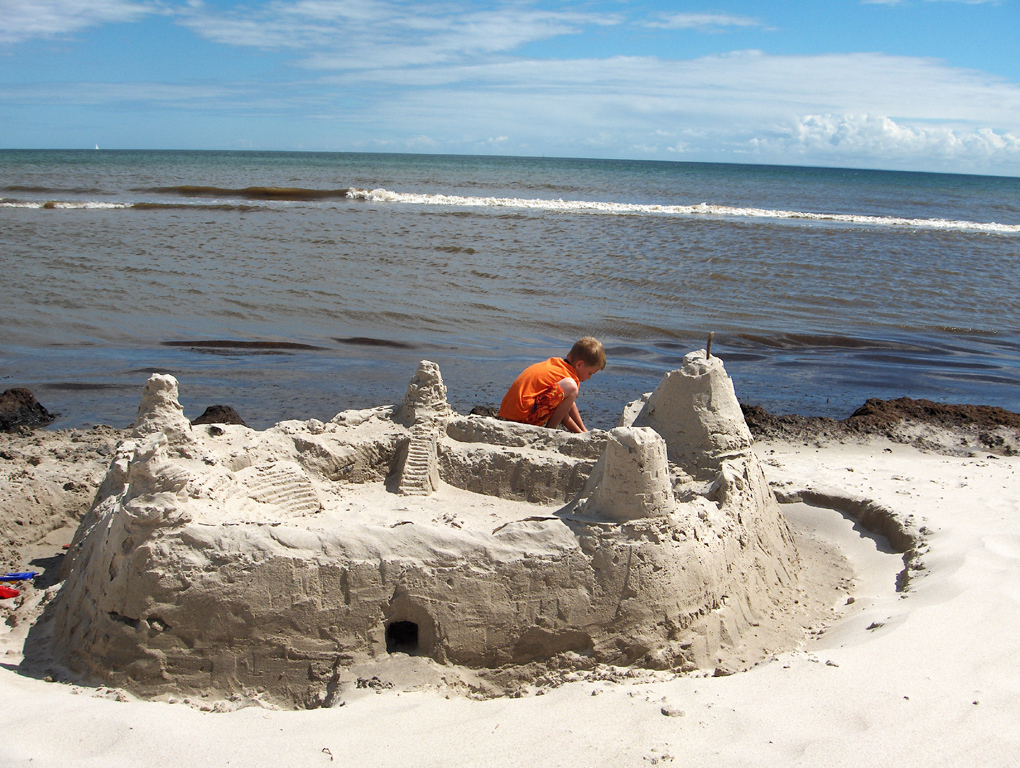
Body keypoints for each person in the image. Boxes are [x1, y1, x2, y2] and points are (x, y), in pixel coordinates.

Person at [498, 337, 605, 433]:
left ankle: (574, 430)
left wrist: (583, 430)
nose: (589, 377)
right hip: (524, 417)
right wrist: (580, 433)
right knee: (571, 387)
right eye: (590, 373)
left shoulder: (557, 365)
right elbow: (564, 416)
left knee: (570, 390)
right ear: (579, 364)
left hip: (511, 414)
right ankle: (549, 431)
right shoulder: (570, 379)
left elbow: (569, 404)